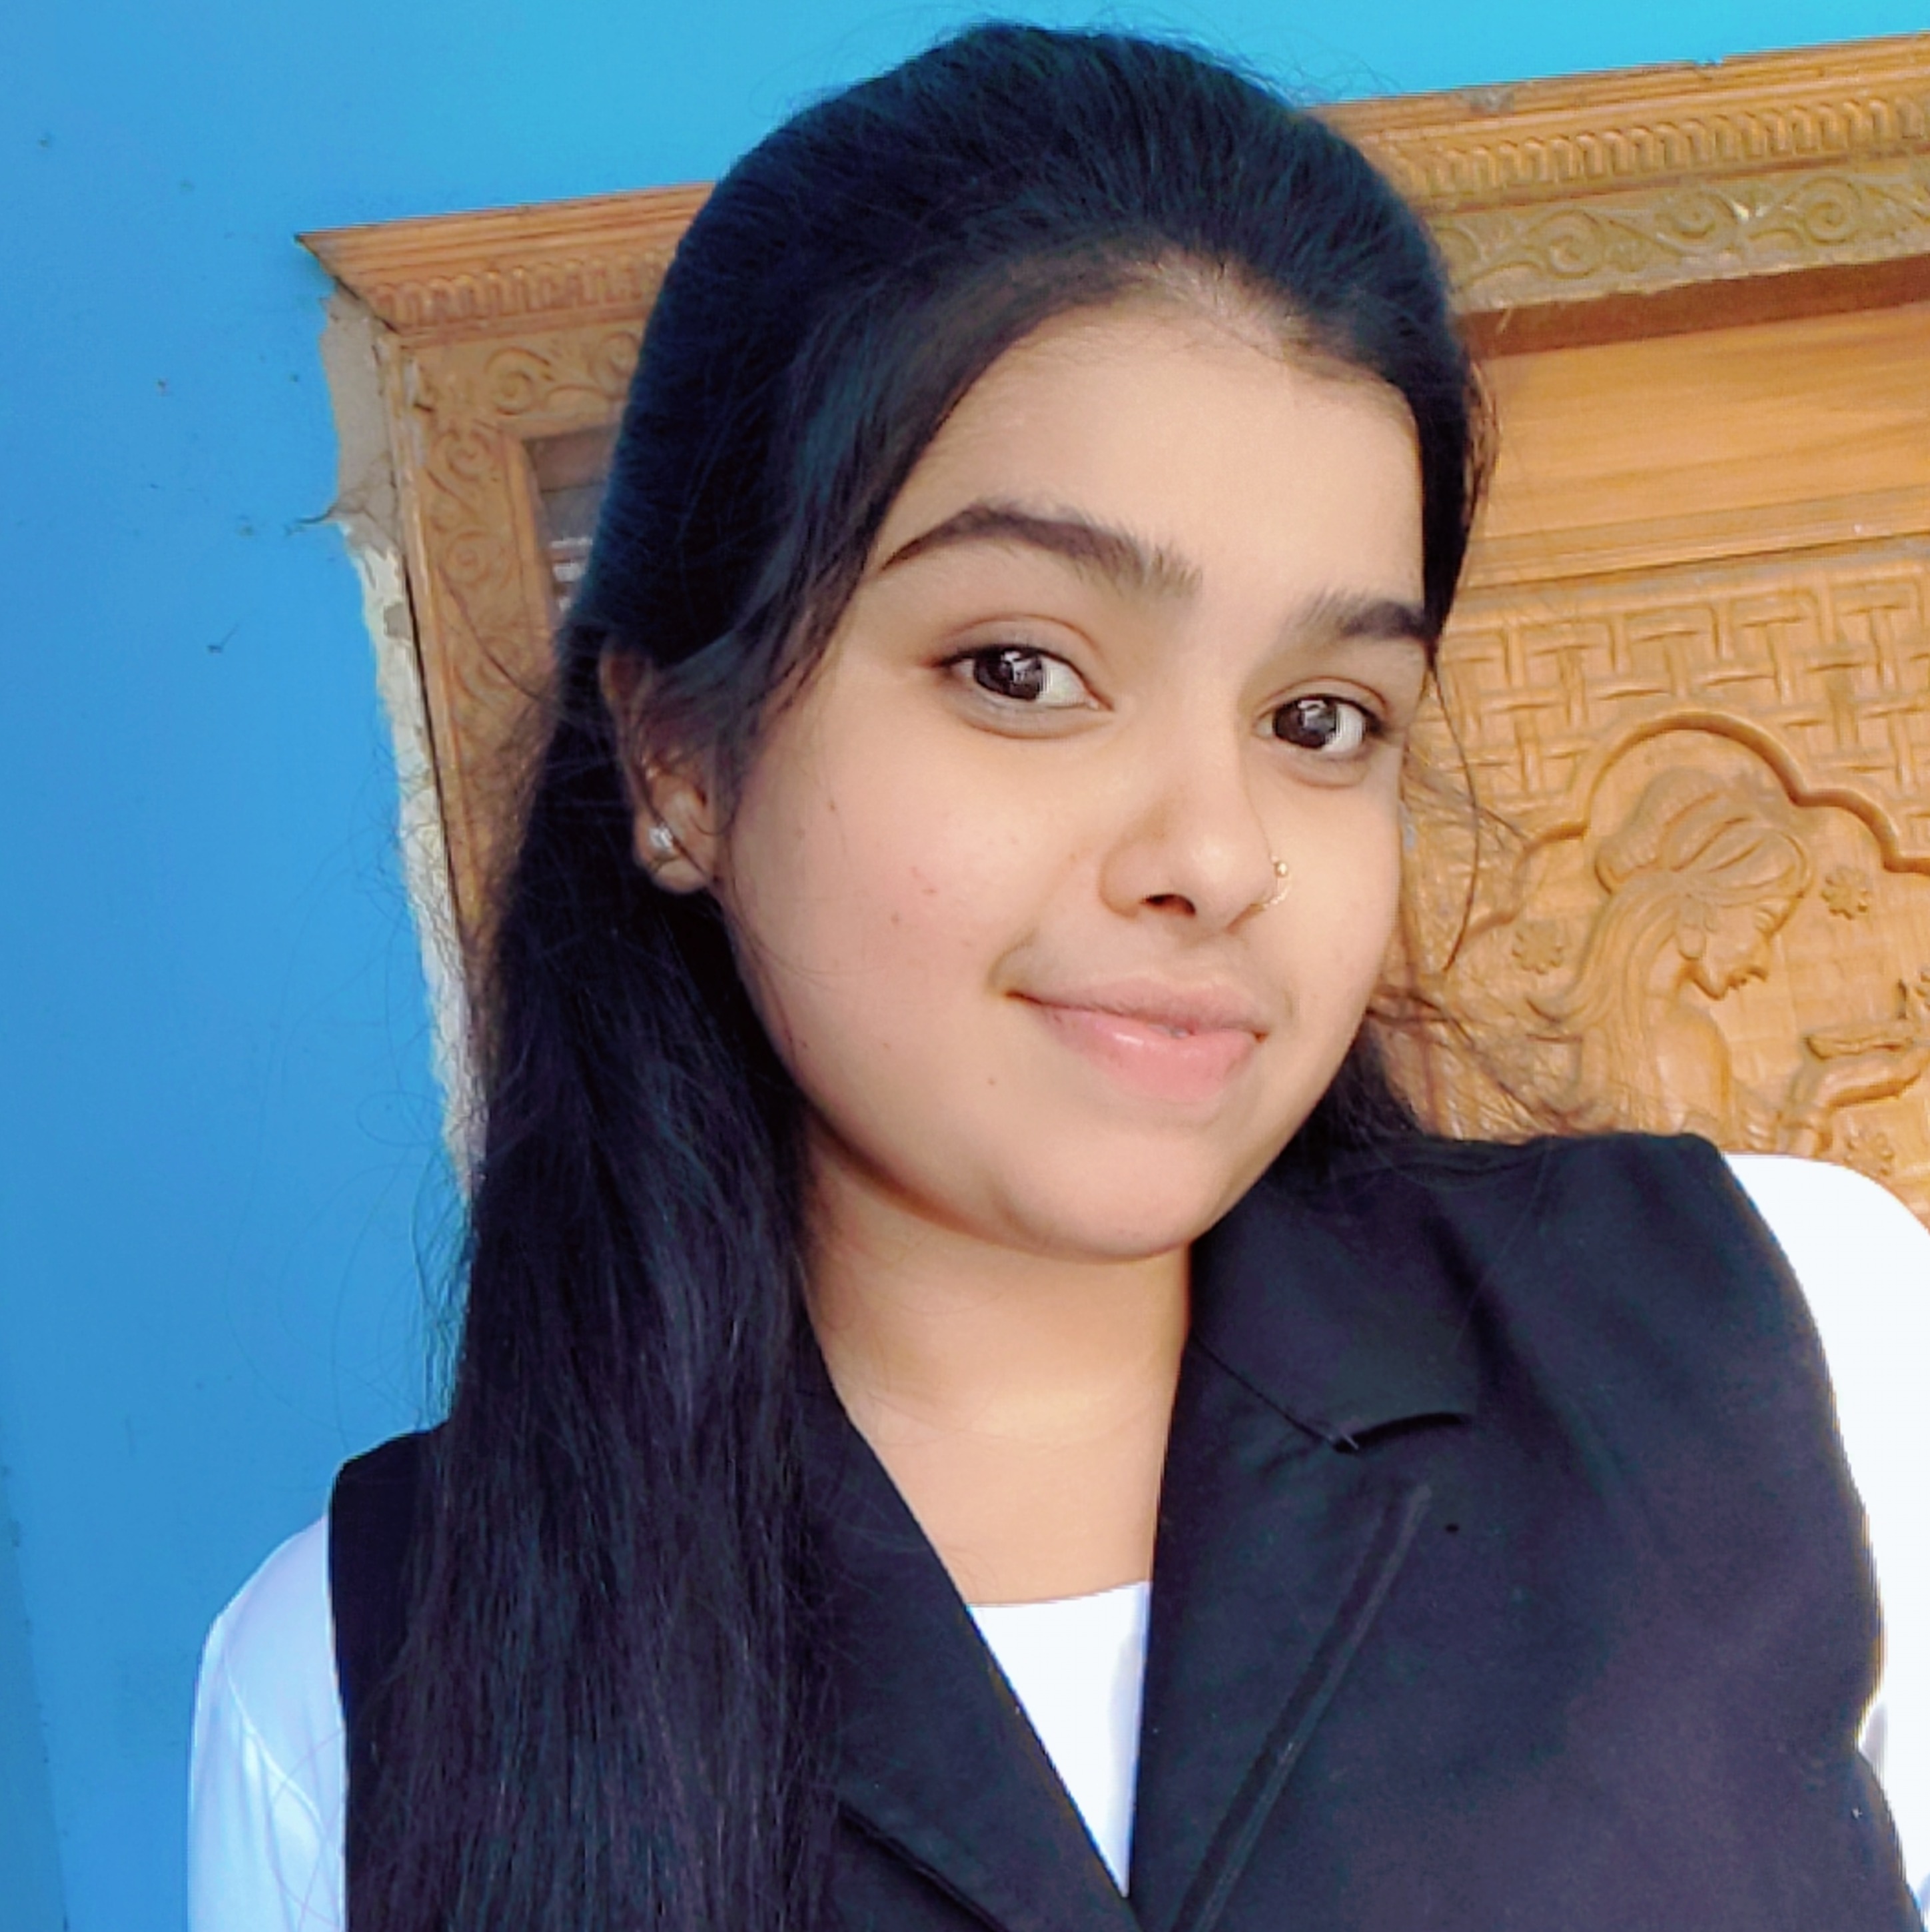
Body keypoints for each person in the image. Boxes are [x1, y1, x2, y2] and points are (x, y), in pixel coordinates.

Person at [189, 23, 1930, 1931]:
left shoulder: (1788, 1334)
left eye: (1321, 717)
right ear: (681, 758)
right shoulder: (353, 1676)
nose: (1217, 854)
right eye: (1022, 670)